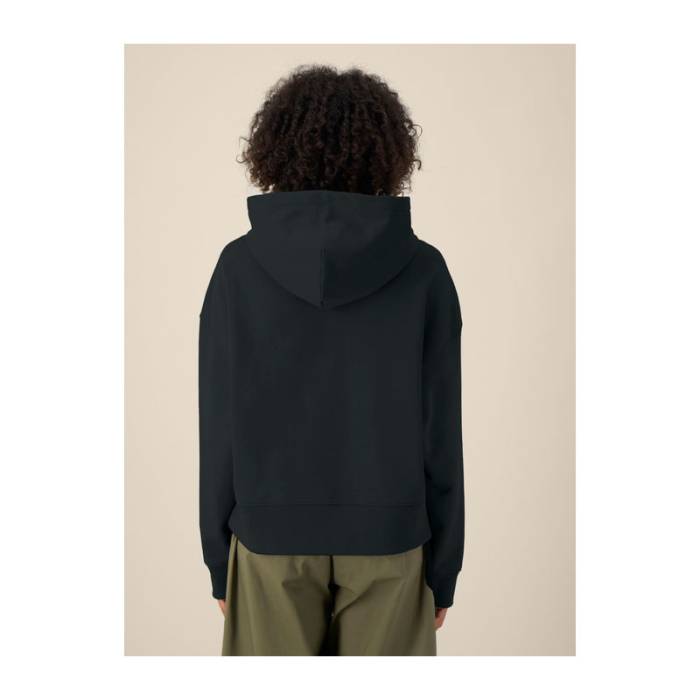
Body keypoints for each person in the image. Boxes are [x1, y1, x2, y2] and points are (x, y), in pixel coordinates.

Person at [199, 65, 464, 656]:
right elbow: (440, 432)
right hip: (392, 541)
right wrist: (443, 566)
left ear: (277, 148)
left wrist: (221, 561)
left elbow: (219, 423)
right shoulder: (424, 271)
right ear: (387, 153)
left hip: (268, 541)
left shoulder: (238, 269)